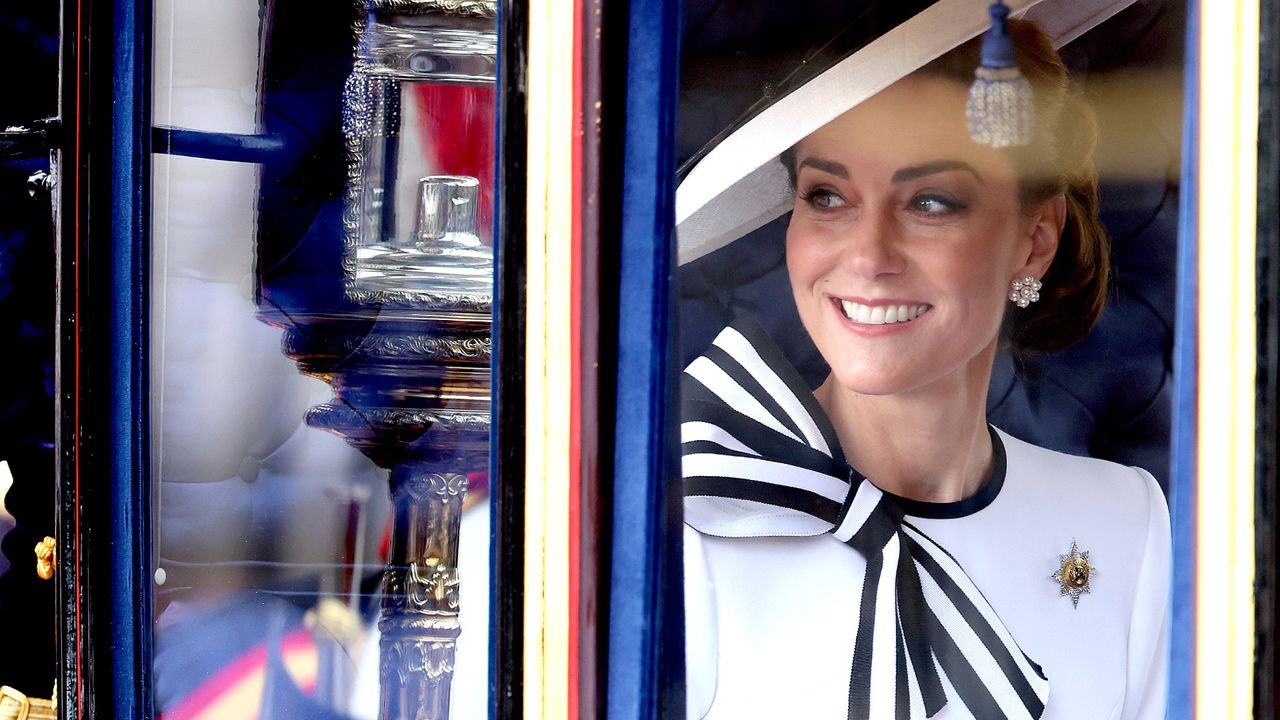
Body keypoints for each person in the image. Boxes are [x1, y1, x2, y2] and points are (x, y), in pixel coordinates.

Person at [677, 2, 1170, 718]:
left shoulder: (1125, 524)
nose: (869, 256)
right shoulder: (694, 510)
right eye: (827, 196)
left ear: (1034, 241)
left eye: (931, 202)